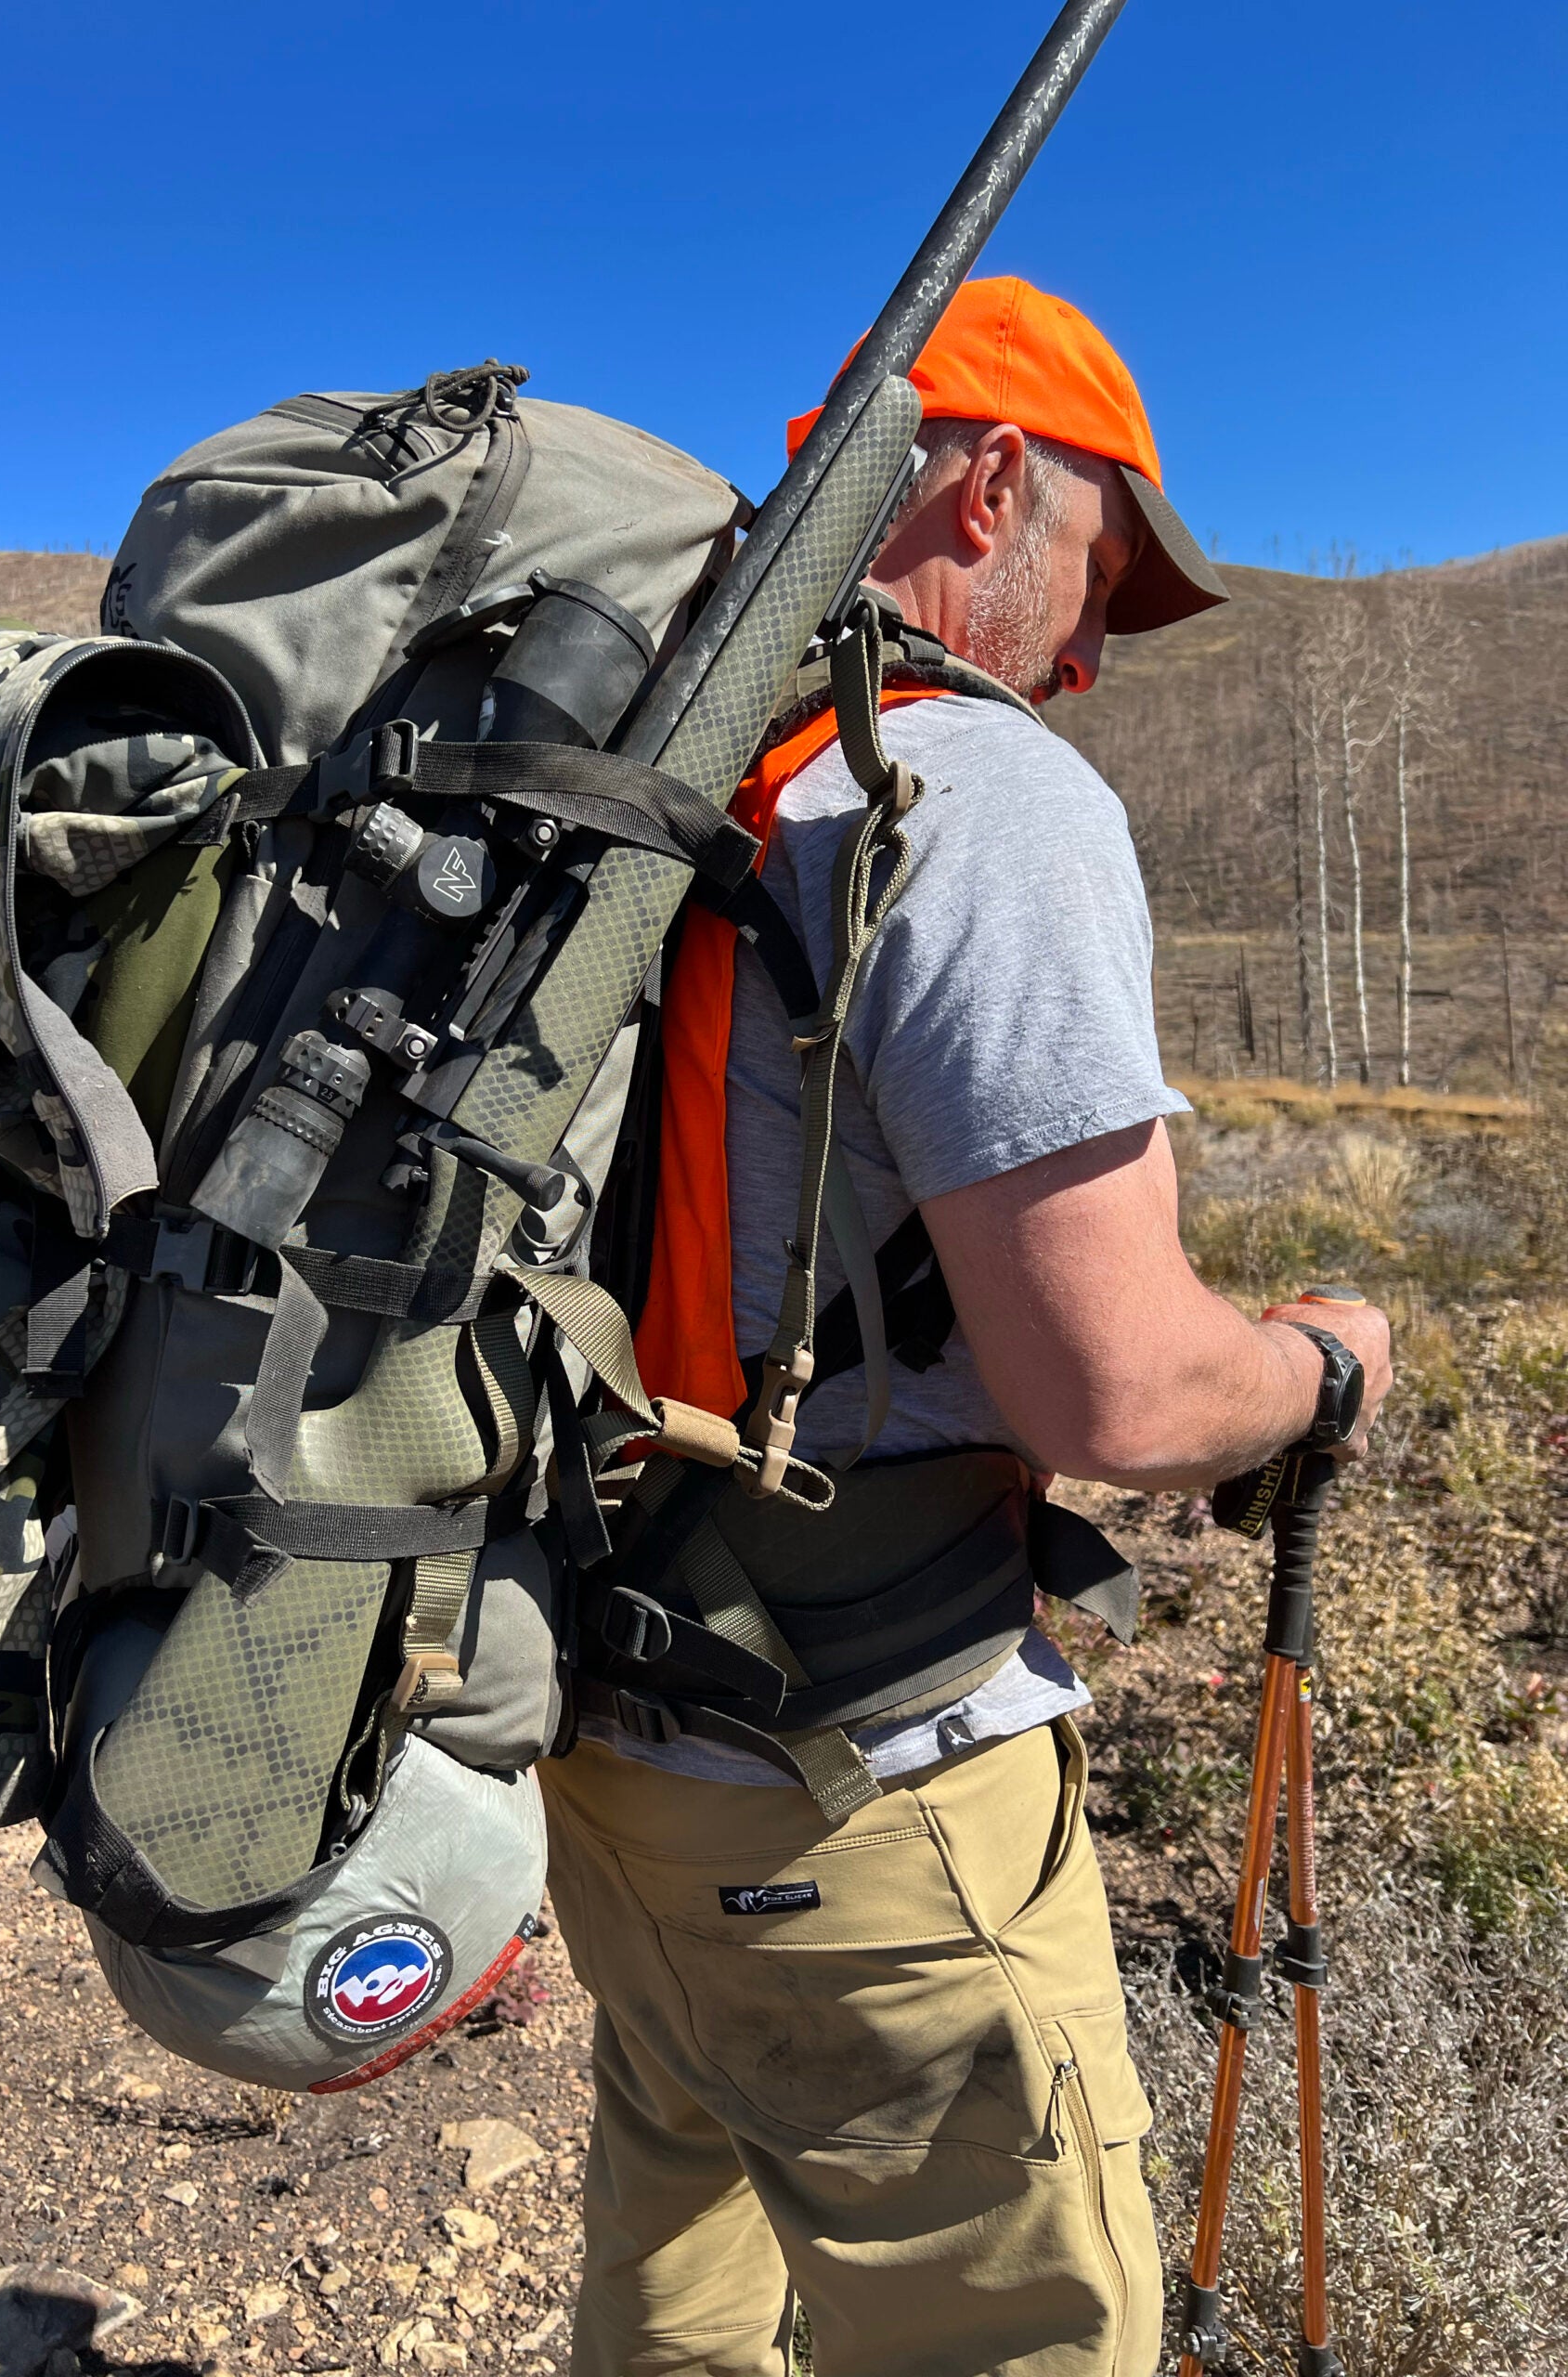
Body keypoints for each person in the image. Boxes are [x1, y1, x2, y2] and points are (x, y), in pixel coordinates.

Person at [538, 277, 1394, 2377]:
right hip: (867, 1790)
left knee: (682, 2291)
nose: (1096, 653)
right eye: (1104, 570)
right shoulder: (975, 796)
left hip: (608, 1748)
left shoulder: (646, 789)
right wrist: (1331, 1357)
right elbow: (1113, 1389)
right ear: (996, 481)